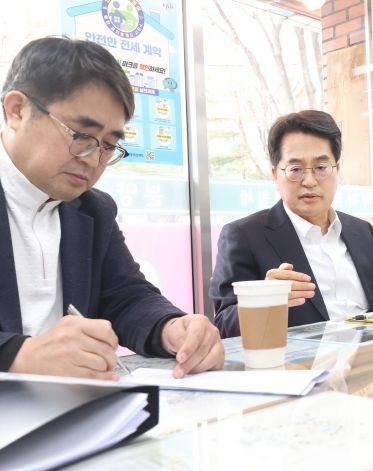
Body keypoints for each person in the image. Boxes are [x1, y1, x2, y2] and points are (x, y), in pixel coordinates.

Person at [0, 37, 224, 379]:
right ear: (17, 110)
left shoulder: (93, 209)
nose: (93, 161)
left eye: (108, 146)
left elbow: (125, 296)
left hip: (76, 403)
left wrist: (172, 327)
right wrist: (17, 355)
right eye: (80, 135)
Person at [210, 110, 373, 337]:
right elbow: (223, 326)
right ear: (275, 175)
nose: (309, 181)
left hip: (366, 357)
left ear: (337, 170)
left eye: (321, 168)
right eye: (295, 170)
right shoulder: (244, 235)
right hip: (295, 359)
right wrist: (264, 300)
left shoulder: (362, 232)